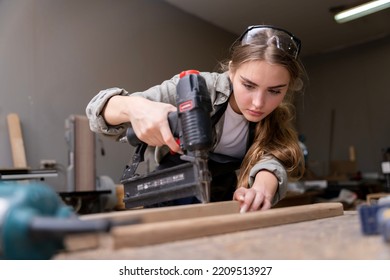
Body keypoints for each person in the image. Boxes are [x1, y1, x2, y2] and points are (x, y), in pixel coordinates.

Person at [86, 25, 307, 213]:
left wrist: (261, 188)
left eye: (275, 91)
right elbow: (99, 111)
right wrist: (135, 108)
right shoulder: (198, 87)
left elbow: (271, 159)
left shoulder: (273, 119)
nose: (259, 103)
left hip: (222, 197)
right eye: (248, 85)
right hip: (170, 189)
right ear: (231, 71)